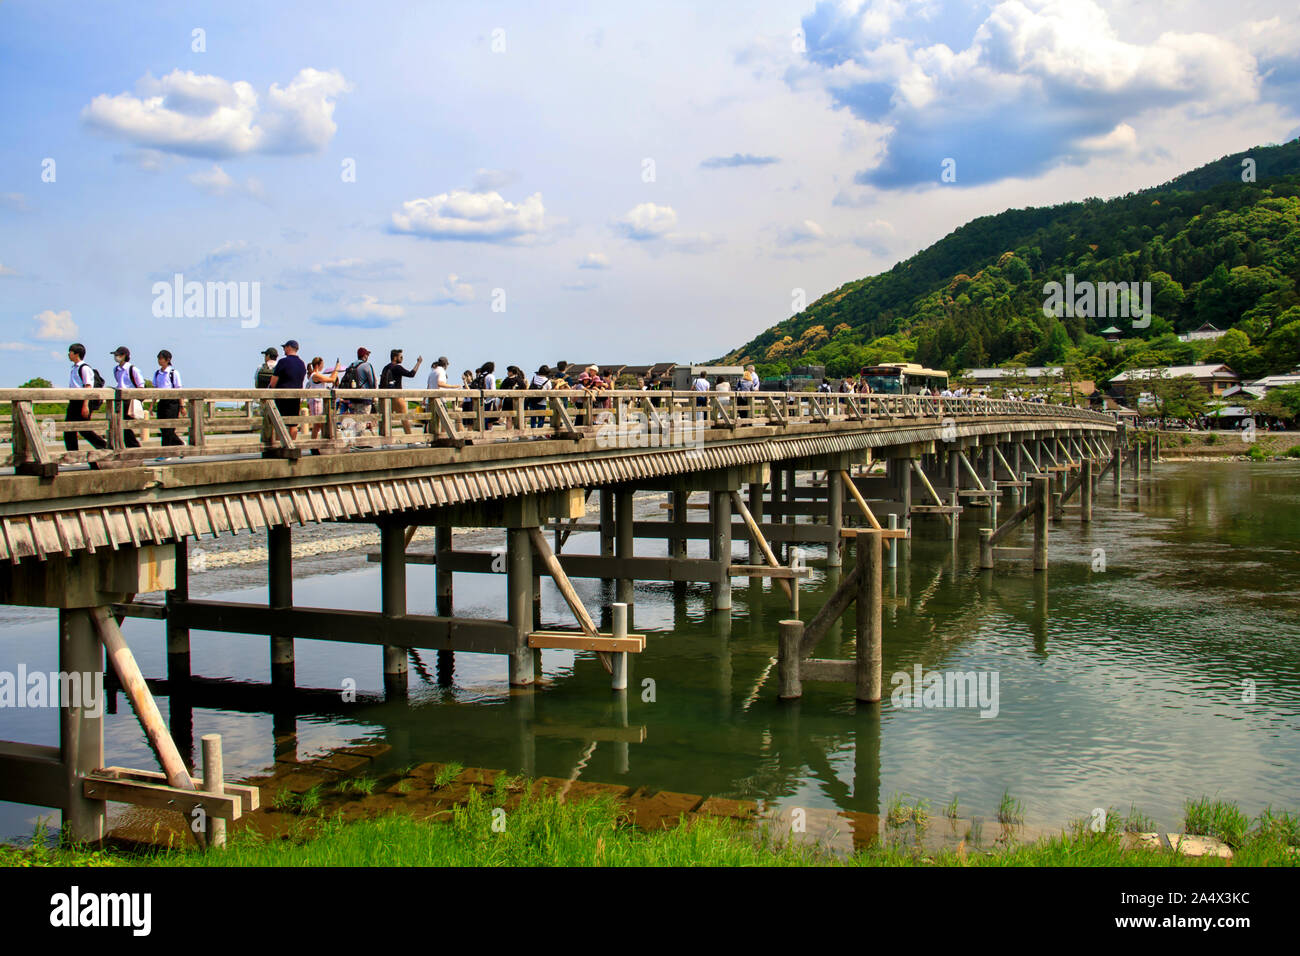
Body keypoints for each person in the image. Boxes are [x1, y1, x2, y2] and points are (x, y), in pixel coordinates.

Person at [64, 343, 106, 451]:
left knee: (84, 429)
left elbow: (88, 386)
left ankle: (103, 446)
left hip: (82, 401)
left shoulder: (84, 368)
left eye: (71, 352)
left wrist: (85, 405)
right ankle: (73, 454)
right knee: (69, 428)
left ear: (77, 354)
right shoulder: (74, 368)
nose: (69, 354)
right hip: (74, 401)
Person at [267, 340, 307, 439]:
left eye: (284, 347)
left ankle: (279, 446)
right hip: (296, 397)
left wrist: (269, 390)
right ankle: (291, 445)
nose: (284, 350)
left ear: (289, 347)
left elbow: (273, 382)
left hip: (282, 397)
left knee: (278, 423)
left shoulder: (283, 362)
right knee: (293, 424)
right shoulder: (302, 363)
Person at [379, 349, 423, 435]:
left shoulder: (386, 367)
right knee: (404, 418)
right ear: (395, 358)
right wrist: (418, 363)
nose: (402, 358)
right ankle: (410, 438)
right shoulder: (397, 367)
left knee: (386, 419)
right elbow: (411, 374)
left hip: (386, 397)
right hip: (396, 396)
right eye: (401, 357)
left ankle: (384, 441)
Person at [111, 346, 146, 448]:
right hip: (120, 399)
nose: (116, 357)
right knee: (119, 425)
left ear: (124, 356)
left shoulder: (132, 369)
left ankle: (134, 447)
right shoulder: (116, 370)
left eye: (118, 355)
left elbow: (141, 385)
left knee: (125, 426)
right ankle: (129, 447)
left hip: (129, 399)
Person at [152, 350, 184, 447]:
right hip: (162, 401)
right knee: (162, 426)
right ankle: (179, 443)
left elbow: (179, 390)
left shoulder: (173, 373)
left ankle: (165, 451)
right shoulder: (157, 373)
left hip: (172, 402)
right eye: (158, 358)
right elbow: (155, 390)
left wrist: (182, 406)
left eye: (161, 358)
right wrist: (152, 405)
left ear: (167, 359)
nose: (159, 360)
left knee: (169, 426)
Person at [307, 356, 343, 441]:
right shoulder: (315, 375)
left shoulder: (316, 375)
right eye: (322, 364)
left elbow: (331, 379)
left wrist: (336, 369)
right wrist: (336, 368)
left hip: (318, 401)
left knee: (321, 423)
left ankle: (318, 443)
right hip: (316, 401)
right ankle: (314, 445)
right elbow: (332, 379)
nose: (323, 366)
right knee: (318, 423)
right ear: (318, 365)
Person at [525, 365, 551, 429]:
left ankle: (533, 433)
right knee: (541, 418)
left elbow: (530, 387)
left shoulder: (534, 378)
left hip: (532, 400)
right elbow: (549, 390)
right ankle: (539, 433)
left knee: (533, 418)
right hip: (542, 402)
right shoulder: (547, 381)